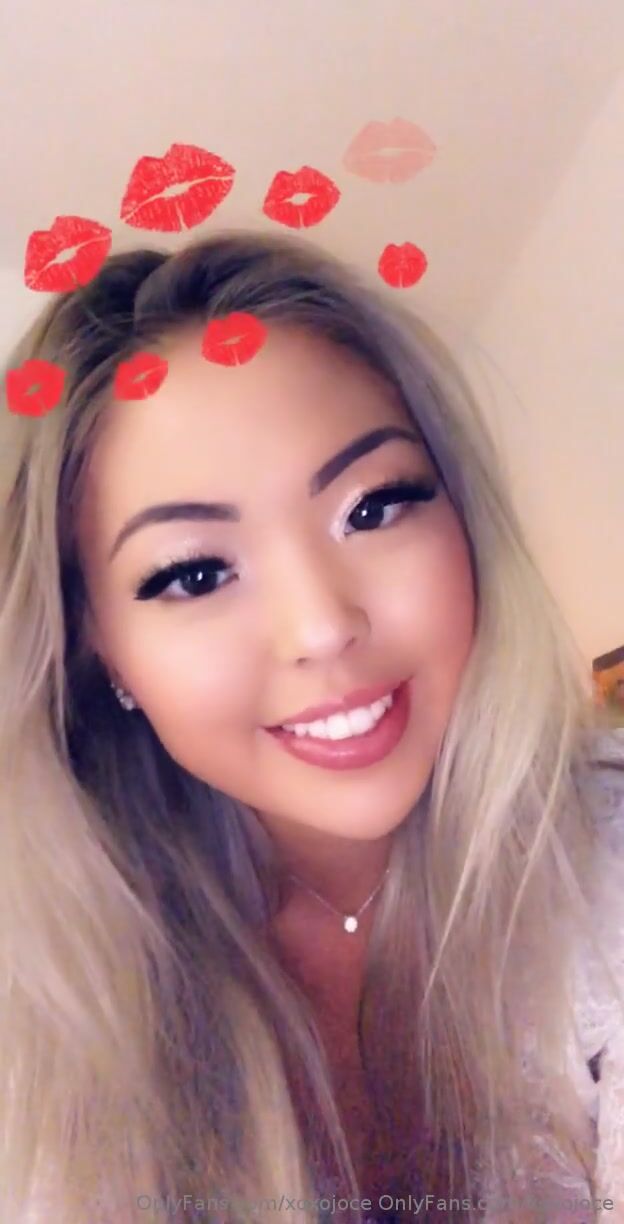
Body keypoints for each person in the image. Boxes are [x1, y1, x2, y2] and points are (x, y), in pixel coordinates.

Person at [0, 229, 623, 1224]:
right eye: (195, 573)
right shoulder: (40, 1002)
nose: (323, 627)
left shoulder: (602, 852)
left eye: (373, 508)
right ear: (96, 646)